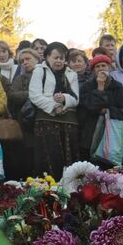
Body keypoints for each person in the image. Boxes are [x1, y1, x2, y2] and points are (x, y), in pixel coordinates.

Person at [27, 42, 80, 175]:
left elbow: (76, 99)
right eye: (55, 57)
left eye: (62, 58)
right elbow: (34, 95)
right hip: (46, 120)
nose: (59, 61)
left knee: (70, 162)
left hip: (68, 123)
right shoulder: (40, 70)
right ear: (47, 57)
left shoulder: (71, 74)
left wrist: (64, 99)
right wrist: (54, 106)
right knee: (49, 159)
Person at [79, 53, 123, 163]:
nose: (101, 69)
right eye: (97, 66)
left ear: (109, 68)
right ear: (93, 70)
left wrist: (108, 111)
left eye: (103, 66)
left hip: (113, 135)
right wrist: (100, 88)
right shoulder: (86, 87)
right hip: (90, 135)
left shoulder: (117, 87)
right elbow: (90, 107)